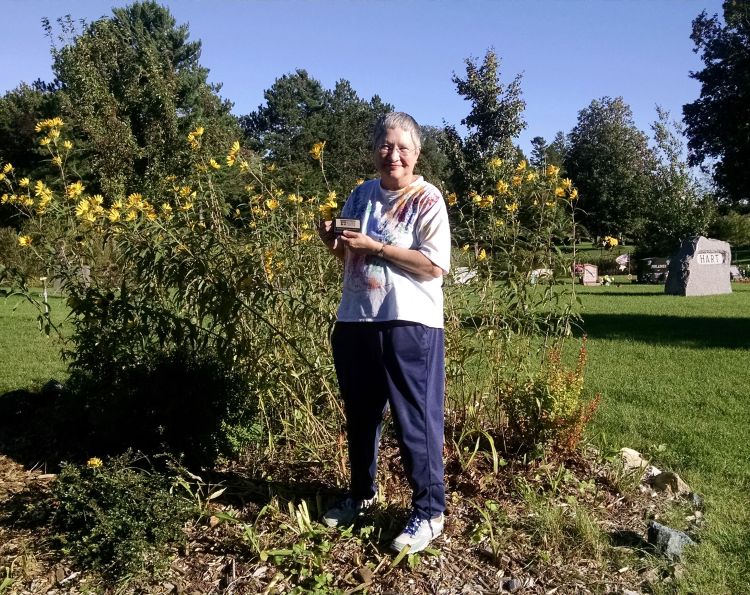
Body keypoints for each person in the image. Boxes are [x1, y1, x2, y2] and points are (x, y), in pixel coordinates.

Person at [317, 112, 451, 553]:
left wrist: (376, 246)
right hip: (357, 319)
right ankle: (362, 494)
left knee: (416, 420)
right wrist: (333, 241)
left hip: (410, 324)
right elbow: (350, 259)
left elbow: (433, 267)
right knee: (361, 416)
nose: (393, 155)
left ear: (416, 154)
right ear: (375, 149)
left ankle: (430, 513)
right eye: (385, 146)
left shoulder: (427, 199)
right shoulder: (360, 195)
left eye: (402, 148)